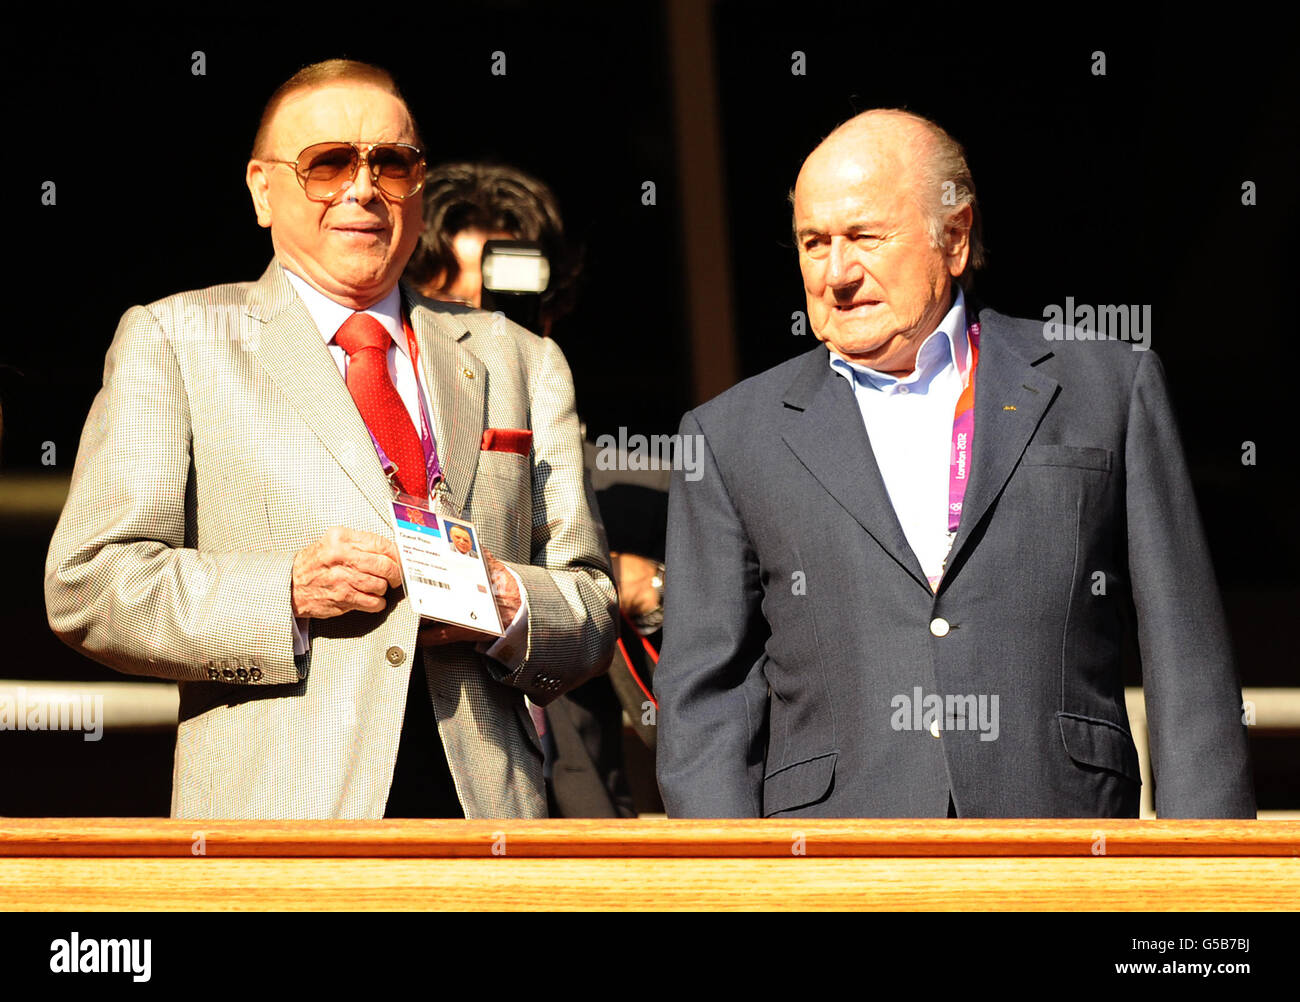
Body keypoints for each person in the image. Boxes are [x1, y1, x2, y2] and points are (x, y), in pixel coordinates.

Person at [44, 59, 616, 820]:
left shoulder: (522, 358)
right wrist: (284, 593)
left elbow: (592, 602)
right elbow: (89, 582)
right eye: (329, 164)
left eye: (393, 164)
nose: (362, 188)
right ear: (260, 188)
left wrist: (507, 601)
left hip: (486, 827)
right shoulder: (176, 340)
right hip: (279, 822)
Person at [654, 109, 1254, 819]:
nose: (837, 273)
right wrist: (728, 891)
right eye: (814, 243)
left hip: (1062, 843)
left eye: (865, 238)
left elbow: (1187, 654)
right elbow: (705, 710)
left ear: (956, 236)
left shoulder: (1107, 387)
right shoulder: (729, 438)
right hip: (833, 865)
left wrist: (1206, 870)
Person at [406, 162, 662, 816]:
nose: (483, 333)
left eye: (506, 303)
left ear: (554, 306)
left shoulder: (645, 487)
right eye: (450, 309)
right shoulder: (372, 457)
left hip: (586, 828)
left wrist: (647, 589)